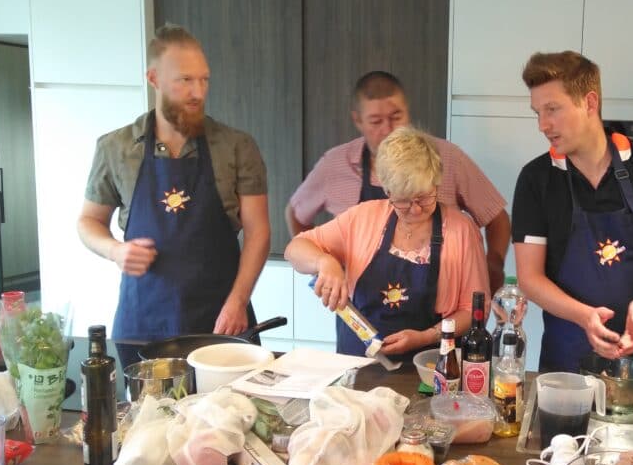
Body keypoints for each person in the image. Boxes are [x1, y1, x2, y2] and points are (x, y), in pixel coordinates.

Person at [78, 24, 270, 360]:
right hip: (142, 324)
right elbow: (88, 221)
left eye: (204, 79)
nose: (198, 91)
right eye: (185, 80)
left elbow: (259, 232)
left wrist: (238, 300)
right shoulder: (116, 148)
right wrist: (115, 250)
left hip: (220, 319)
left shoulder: (236, 147)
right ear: (154, 78)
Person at [511, 51, 633, 380]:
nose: (543, 125)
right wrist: (584, 316)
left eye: (552, 109)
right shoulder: (536, 179)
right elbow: (530, 278)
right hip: (569, 361)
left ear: (589, 102)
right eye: (537, 113)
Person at [285, 70, 510, 293]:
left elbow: (496, 217)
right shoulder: (336, 168)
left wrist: (494, 264)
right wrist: (323, 265)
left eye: (396, 117)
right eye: (376, 121)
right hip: (358, 309)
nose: (388, 129)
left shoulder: (447, 158)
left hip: (441, 307)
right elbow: (296, 218)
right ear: (358, 120)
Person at [285, 126, 488, 358]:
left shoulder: (461, 230)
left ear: (437, 183)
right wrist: (324, 262)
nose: (415, 209)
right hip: (359, 361)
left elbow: (473, 310)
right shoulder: (362, 218)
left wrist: (427, 336)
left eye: (424, 197)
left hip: (429, 365)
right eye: (403, 200)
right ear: (388, 191)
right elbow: (295, 248)